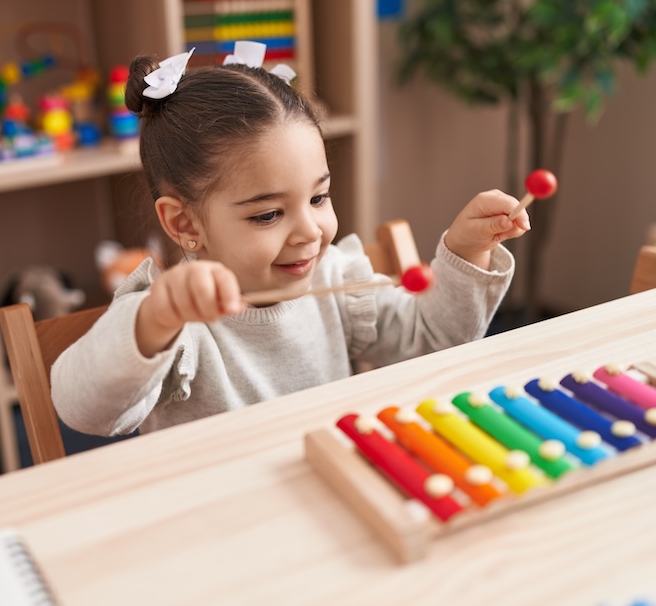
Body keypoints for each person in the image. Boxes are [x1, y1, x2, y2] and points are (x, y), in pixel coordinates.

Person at [51, 41, 529, 437]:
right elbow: (83, 411)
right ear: (185, 225)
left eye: (319, 198)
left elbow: (432, 339)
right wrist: (154, 320)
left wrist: (467, 251)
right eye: (269, 214)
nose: (310, 232)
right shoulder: (174, 318)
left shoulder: (336, 278)